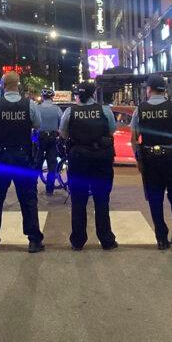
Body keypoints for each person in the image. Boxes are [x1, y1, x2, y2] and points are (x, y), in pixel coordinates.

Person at [130, 75, 172, 251]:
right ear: (164, 90)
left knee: (155, 198)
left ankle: (161, 238)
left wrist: (138, 160)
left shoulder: (140, 109)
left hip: (149, 159)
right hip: (171, 158)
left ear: (149, 89)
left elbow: (134, 138)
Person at [0, 71, 44, 254]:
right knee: (28, 198)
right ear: (18, 85)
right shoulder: (29, 105)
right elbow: (37, 124)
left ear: (2, 85)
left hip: (1, 158)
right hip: (23, 157)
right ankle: (33, 240)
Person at [60, 81, 118, 251]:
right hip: (101, 159)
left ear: (79, 95)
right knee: (102, 200)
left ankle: (78, 241)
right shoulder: (104, 110)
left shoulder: (70, 112)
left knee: (78, 201)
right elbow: (111, 131)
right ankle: (106, 240)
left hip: (78, 160)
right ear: (93, 94)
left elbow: (63, 133)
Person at [36, 88, 64, 195]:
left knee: (37, 162)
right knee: (52, 163)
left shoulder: (37, 108)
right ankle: (50, 188)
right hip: (52, 137)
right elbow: (62, 124)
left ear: (42, 97)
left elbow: (34, 123)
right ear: (52, 97)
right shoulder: (56, 109)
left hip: (40, 137)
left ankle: (32, 187)